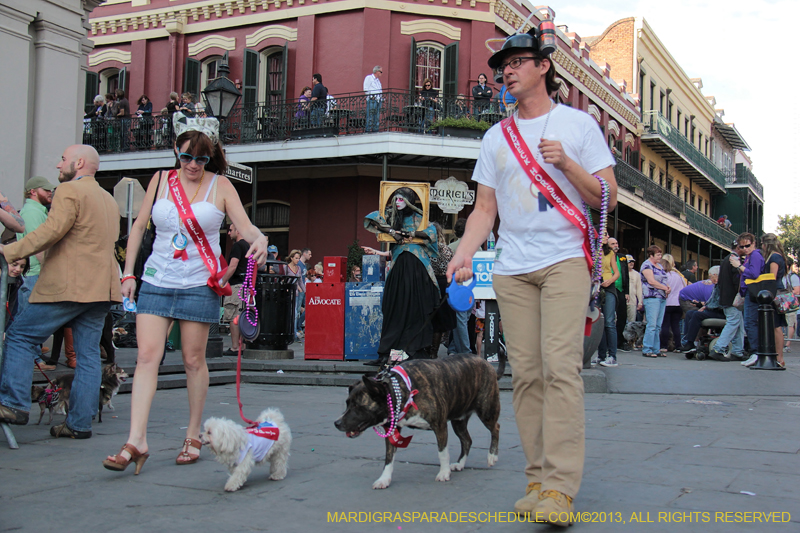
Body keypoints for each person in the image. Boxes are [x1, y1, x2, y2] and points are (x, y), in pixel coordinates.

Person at [446, 28, 617, 524]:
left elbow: (607, 197)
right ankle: (538, 478)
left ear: (543, 66)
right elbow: (483, 210)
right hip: (512, 269)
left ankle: (561, 488)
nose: (508, 70)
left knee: (560, 368)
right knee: (525, 376)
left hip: (565, 259)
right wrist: (460, 255)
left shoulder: (580, 125)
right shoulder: (495, 137)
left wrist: (568, 164)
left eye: (519, 60)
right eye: (504, 64)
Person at [103, 114, 268, 473]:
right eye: (186, 157)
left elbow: (246, 226)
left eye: (201, 159)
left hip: (198, 283)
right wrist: (128, 272)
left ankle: (193, 434)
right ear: (176, 154)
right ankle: (137, 440)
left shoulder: (221, 186)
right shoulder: (161, 180)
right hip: (157, 280)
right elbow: (138, 227)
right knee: (147, 357)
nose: (193, 165)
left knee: (193, 361)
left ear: (211, 157)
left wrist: (262, 239)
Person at [0, 144, 120, 438]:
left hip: (70, 286)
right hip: (101, 288)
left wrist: (10, 250)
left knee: (20, 336)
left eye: (63, 159)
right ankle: (79, 424)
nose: (58, 165)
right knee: (90, 355)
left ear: (79, 163)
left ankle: (13, 404)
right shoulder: (108, 199)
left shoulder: (69, 191)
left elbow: (51, 231)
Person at [363, 186, 439, 365]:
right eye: (395, 199)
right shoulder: (391, 217)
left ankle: (414, 350)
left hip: (416, 268)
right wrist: (392, 232)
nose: (397, 203)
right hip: (398, 268)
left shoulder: (420, 218)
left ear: (409, 202)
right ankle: (387, 352)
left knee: (415, 309)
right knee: (393, 307)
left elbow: (431, 233)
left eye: (401, 199)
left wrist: (409, 234)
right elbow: (372, 218)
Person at [16, 176, 57, 369]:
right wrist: (49, 272)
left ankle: (35, 356)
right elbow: (37, 244)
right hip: (35, 274)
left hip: (35, 273)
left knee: (28, 319)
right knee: (29, 321)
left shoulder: (37, 211)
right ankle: (34, 360)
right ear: (33, 191)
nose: (50, 192)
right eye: (45, 189)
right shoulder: (33, 212)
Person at [746, 233, 788, 368]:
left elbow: (772, 277)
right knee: (775, 325)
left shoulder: (774, 257)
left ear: (766, 244)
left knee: (776, 326)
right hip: (775, 293)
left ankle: (779, 357)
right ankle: (777, 356)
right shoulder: (777, 256)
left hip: (774, 294)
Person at [708, 246, 745, 361]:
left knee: (738, 324)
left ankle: (738, 351)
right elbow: (736, 280)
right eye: (744, 246)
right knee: (733, 322)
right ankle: (718, 348)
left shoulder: (725, 260)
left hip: (725, 298)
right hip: (732, 298)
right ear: (739, 247)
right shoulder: (734, 261)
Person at [221, 223, 251, 356]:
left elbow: (233, 265)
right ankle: (242, 345)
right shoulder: (247, 246)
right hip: (246, 286)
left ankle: (235, 347)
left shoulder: (237, 246)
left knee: (233, 316)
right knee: (242, 315)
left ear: (238, 231)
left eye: (231, 230)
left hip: (236, 285)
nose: (228, 233)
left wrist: (223, 281)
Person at [429, 222, 457, 357]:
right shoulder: (446, 249)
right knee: (440, 320)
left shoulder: (426, 249)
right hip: (445, 283)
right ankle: (434, 352)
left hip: (429, 283)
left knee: (429, 317)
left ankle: (427, 349)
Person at [736, 232, 763, 364]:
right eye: (742, 247)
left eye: (747, 245)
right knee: (749, 322)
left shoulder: (755, 256)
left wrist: (739, 266)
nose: (745, 249)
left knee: (750, 322)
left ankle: (755, 352)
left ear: (753, 244)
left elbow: (754, 273)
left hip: (752, 292)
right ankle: (755, 351)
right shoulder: (750, 256)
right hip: (749, 292)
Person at [640, 245, 670, 358]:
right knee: (651, 324)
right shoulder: (647, 265)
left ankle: (656, 349)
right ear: (651, 255)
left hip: (661, 297)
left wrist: (668, 287)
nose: (660, 256)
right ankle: (647, 348)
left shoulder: (660, 266)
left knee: (658, 325)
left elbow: (664, 280)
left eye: (660, 254)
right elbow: (651, 281)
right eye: (658, 254)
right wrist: (664, 288)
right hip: (652, 297)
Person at [447, 218, 471, 355]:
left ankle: (461, 350)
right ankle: (457, 349)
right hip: (471, 289)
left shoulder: (451, 248)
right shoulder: (476, 247)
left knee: (460, 322)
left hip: (456, 288)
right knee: (463, 321)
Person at [597, 234, 619, 367]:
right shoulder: (592, 250)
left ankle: (612, 356)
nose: (607, 236)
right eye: (605, 234)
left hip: (608, 285)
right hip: (595, 285)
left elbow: (616, 272)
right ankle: (601, 355)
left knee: (609, 321)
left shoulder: (609, 252)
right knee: (599, 321)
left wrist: (609, 280)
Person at [659, 254, 686, 354]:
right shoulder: (679, 276)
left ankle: (664, 346)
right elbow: (684, 289)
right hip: (678, 304)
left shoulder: (664, 276)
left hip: (667, 303)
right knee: (676, 326)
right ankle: (678, 346)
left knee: (665, 325)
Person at [608, 237, 630, 351]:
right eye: (612, 244)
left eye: (616, 243)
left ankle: (619, 340)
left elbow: (626, 274)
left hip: (621, 289)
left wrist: (627, 291)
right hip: (610, 288)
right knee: (610, 316)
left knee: (622, 316)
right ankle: (609, 341)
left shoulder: (622, 257)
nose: (615, 245)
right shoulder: (605, 256)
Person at [285, 250, 306, 340]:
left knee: (295, 313)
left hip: (296, 294)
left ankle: (293, 333)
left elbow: (300, 281)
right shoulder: (286, 268)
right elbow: (284, 280)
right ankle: (291, 333)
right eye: (296, 258)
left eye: (298, 258)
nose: (297, 260)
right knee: (290, 313)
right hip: (289, 293)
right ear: (291, 258)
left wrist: (305, 291)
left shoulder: (299, 268)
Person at [782, 257, 799, 353]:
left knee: (790, 323)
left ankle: (788, 344)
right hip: (783, 303)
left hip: (790, 303)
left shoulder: (793, 277)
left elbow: (797, 290)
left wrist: (784, 294)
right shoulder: (782, 276)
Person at [363, 65, 383, 132]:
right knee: (370, 115)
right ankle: (368, 130)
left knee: (377, 116)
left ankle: (375, 130)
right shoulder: (369, 78)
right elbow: (365, 89)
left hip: (378, 100)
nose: (381, 73)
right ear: (377, 71)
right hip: (372, 100)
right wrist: (372, 97)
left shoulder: (378, 81)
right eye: (381, 72)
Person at [626, 255, 643, 327]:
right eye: (629, 262)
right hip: (621, 301)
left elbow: (639, 289)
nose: (631, 263)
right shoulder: (620, 272)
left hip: (632, 301)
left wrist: (640, 302)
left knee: (631, 322)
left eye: (632, 262)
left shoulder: (637, 274)